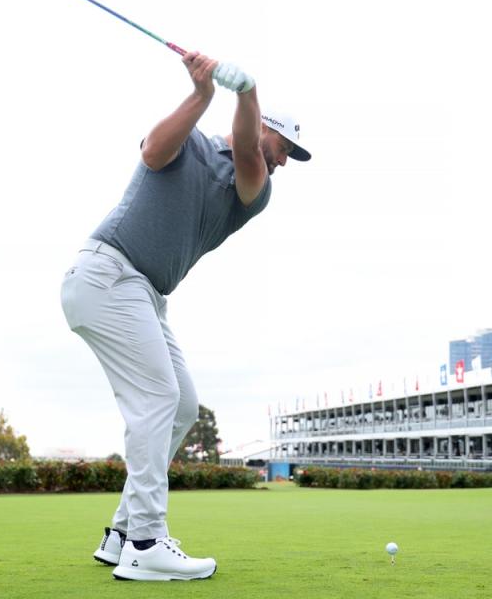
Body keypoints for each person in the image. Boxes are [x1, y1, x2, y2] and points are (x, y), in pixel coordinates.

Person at [60, 52, 311, 581]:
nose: (285, 161)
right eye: (285, 147)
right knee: (158, 398)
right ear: (268, 127)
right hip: (108, 275)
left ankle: (122, 533)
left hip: (143, 293)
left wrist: (245, 93)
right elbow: (153, 150)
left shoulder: (255, 188)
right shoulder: (190, 142)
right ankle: (148, 541)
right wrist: (202, 96)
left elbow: (247, 151)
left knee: (182, 406)